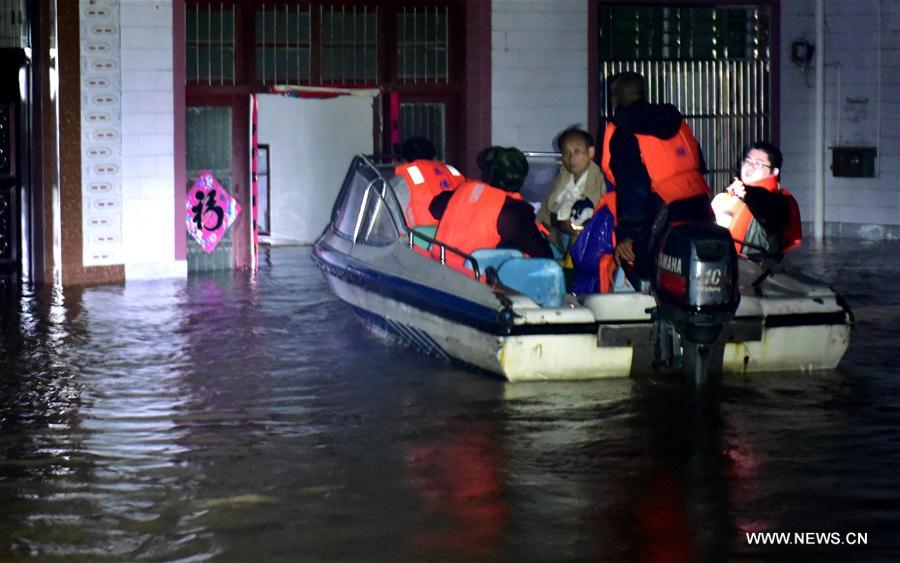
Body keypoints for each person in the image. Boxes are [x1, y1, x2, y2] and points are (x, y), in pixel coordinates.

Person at [600, 72, 714, 279]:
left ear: (614, 99)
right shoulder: (675, 122)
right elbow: (700, 165)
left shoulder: (624, 132)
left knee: (653, 281)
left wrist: (628, 234)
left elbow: (633, 188)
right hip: (702, 210)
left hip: (662, 215)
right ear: (644, 95)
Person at [429, 146, 552, 271]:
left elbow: (434, 209)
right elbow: (544, 256)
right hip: (476, 280)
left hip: (439, 266)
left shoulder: (464, 189)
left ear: (490, 173)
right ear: (522, 178)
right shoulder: (516, 210)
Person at [712, 142, 802, 257]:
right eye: (748, 161)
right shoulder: (726, 197)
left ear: (774, 172)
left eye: (759, 164)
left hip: (756, 269)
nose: (750, 167)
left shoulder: (781, 202)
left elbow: (766, 207)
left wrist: (746, 193)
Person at [536, 128, 606, 257]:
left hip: (586, 245)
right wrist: (547, 227)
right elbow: (546, 208)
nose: (571, 158)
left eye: (577, 151)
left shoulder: (601, 180)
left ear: (591, 152)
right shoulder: (563, 177)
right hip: (557, 239)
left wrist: (573, 228)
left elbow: (599, 215)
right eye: (566, 153)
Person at [393, 136, 465, 229]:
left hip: (415, 241)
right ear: (434, 157)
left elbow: (384, 223)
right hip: (456, 239)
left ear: (404, 160)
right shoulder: (455, 175)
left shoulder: (401, 182)